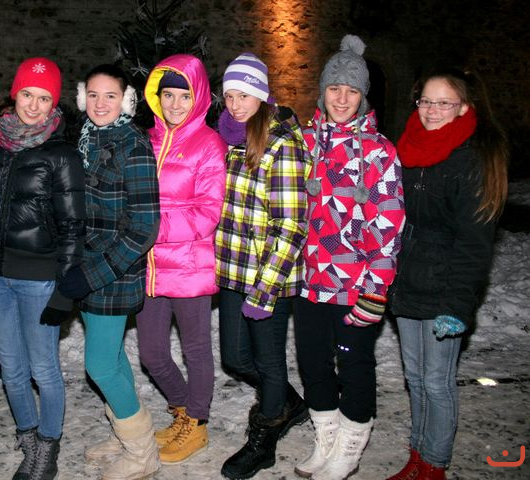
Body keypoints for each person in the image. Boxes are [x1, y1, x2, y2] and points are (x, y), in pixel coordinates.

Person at [293, 35, 405, 480]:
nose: (342, 99)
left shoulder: (380, 151)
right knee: (313, 364)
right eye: (334, 88)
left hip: (356, 286)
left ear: (363, 96)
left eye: (352, 90)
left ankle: (350, 447)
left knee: (354, 366)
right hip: (309, 283)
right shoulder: (303, 142)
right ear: (322, 91)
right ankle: (326, 440)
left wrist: (375, 291)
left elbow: (389, 226)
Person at [386, 69, 508, 480]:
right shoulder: (408, 147)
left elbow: (475, 244)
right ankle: (416, 456)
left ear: (464, 108)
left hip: (444, 286)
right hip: (408, 279)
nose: (432, 110)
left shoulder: (470, 159)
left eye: (444, 103)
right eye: (426, 101)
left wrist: (458, 305)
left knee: (437, 381)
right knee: (415, 378)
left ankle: (434, 463)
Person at [58, 64, 161, 480]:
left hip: (112, 274)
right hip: (86, 268)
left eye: (111, 96)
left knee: (99, 366)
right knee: (113, 358)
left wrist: (92, 274)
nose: (101, 104)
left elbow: (144, 227)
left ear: (126, 100)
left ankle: (142, 452)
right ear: (83, 98)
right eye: (94, 95)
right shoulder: (86, 139)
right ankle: (126, 434)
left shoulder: (133, 146)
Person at [0, 57, 86, 480]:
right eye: (27, 93)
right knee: (11, 368)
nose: (33, 104)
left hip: (39, 279)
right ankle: (28, 438)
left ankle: (48, 446)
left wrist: (65, 289)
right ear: (15, 94)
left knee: (43, 369)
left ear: (54, 104)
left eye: (44, 98)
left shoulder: (62, 154)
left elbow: (74, 225)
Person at [214, 52, 310, 480]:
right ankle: (288, 402)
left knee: (269, 363)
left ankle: (264, 439)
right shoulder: (229, 138)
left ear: (262, 96)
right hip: (234, 271)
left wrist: (266, 287)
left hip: (269, 276)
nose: (236, 104)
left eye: (244, 95)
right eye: (229, 96)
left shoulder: (282, 145)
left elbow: (291, 225)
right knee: (236, 358)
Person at [136, 54, 227, 464]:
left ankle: (198, 424)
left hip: (190, 266)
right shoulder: (147, 140)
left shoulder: (208, 144)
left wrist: (151, 226)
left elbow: (208, 212)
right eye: (168, 95)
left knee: (196, 350)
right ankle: (183, 409)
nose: (175, 104)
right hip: (150, 269)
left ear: (199, 97)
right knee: (152, 354)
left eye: (184, 95)